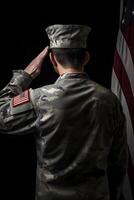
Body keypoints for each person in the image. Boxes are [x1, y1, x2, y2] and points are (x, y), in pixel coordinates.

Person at [0, 24, 127, 200]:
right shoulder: (111, 101)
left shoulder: (38, 99)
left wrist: (25, 76)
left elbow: (1, 115)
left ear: (53, 59)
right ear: (87, 57)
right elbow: (118, 161)